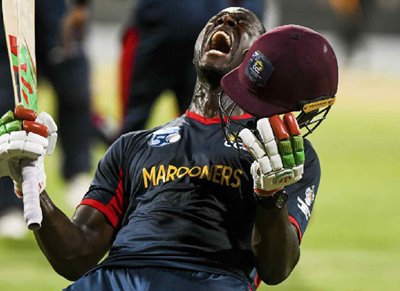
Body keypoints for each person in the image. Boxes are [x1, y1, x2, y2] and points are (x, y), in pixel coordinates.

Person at [0, 8, 338, 290]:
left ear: (255, 62)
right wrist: (31, 182)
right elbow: (77, 257)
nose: (225, 22)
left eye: (241, 24)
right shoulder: (131, 146)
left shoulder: (281, 154)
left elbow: (276, 269)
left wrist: (272, 195)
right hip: (112, 281)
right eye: (216, 21)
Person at [65, 0, 266, 144]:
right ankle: (119, 194)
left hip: (201, 40)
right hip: (156, 35)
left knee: (203, 129)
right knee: (131, 130)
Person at [0, 0, 93, 236]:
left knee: (74, 87)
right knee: (7, 101)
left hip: (55, 6)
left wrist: (82, 4)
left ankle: (77, 173)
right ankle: (7, 204)